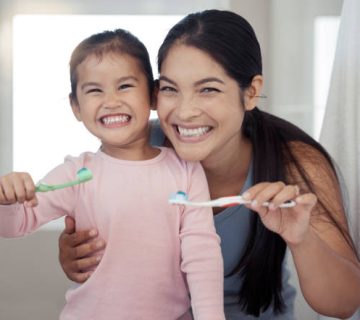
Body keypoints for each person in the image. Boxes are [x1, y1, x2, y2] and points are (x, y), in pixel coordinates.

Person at [58, 9, 360, 319]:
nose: (185, 112)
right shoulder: (138, 146)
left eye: (208, 90)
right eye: (171, 89)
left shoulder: (297, 163)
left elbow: (343, 304)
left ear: (251, 92)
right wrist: (77, 255)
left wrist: (302, 237)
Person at [0, 29, 225, 320]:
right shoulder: (76, 174)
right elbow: (16, 224)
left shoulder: (186, 170)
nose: (111, 101)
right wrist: (7, 199)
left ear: (153, 95)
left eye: (125, 86)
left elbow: (201, 253)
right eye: (95, 90)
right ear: (76, 107)